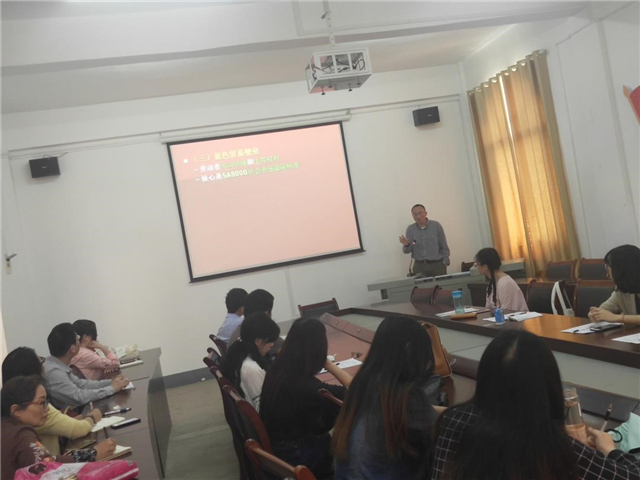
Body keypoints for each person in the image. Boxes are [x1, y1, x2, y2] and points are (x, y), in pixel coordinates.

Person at [431, 330, 640, 480]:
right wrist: (610, 450)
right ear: (549, 387)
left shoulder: (451, 420)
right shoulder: (556, 448)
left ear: (484, 378)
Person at [333, 316, 445, 480]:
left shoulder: (363, 384)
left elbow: (424, 412)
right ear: (409, 350)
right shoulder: (404, 396)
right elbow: (444, 430)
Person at [260, 318, 352, 478]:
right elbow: (354, 390)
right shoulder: (308, 387)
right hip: (298, 457)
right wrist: (328, 364)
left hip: (278, 448)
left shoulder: (277, 367)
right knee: (352, 449)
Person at [1, 376, 117, 480]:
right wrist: (94, 454)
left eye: (46, 402)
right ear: (16, 411)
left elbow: (48, 460)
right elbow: (49, 468)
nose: (46, 408)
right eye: (41, 403)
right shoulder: (21, 436)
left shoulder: (6, 428)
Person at [2, 347, 110, 456]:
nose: (46, 408)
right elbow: (78, 429)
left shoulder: (9, 410)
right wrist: (92, 418)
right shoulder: (36, 410)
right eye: (41, 362)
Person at [44, 323, 129, 409]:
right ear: (72, 348)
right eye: (77, 339)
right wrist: (112, 388)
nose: (79, 342)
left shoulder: (56, 364)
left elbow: (81, 384)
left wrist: (110, 382)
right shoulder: (54, 372)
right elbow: (78, 397)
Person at [219, 312, 280, 411]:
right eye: (270, 341)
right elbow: (265, 409)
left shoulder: (240, 355)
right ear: (258, 341)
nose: (272, 345)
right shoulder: (251, 369)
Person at [589, 244, 640, 326]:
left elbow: (613, 317)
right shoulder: (622, 288)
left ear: (620, 268)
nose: (607, 272)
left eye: (608, 266)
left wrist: (617, 318)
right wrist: (596, 314)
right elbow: (606, 308)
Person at [399, 204, 450, 277]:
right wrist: (406, 245)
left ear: (425, 213)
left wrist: (445, 262)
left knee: (440, 284)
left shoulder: (436, 226)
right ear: (412, 216)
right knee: (421, 285)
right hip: (419, 266)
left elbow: (444, 245)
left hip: (437, 265)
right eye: (415, 214)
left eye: (420, 213)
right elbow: (408, 250)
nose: (418, 216)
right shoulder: (410, 229)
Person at [475, 247, 528, 311]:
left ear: (485, 267)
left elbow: (506, 312)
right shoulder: (492, 283)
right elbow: (488, 309)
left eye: (477, 265)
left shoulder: (505, 283)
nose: (477, 267)